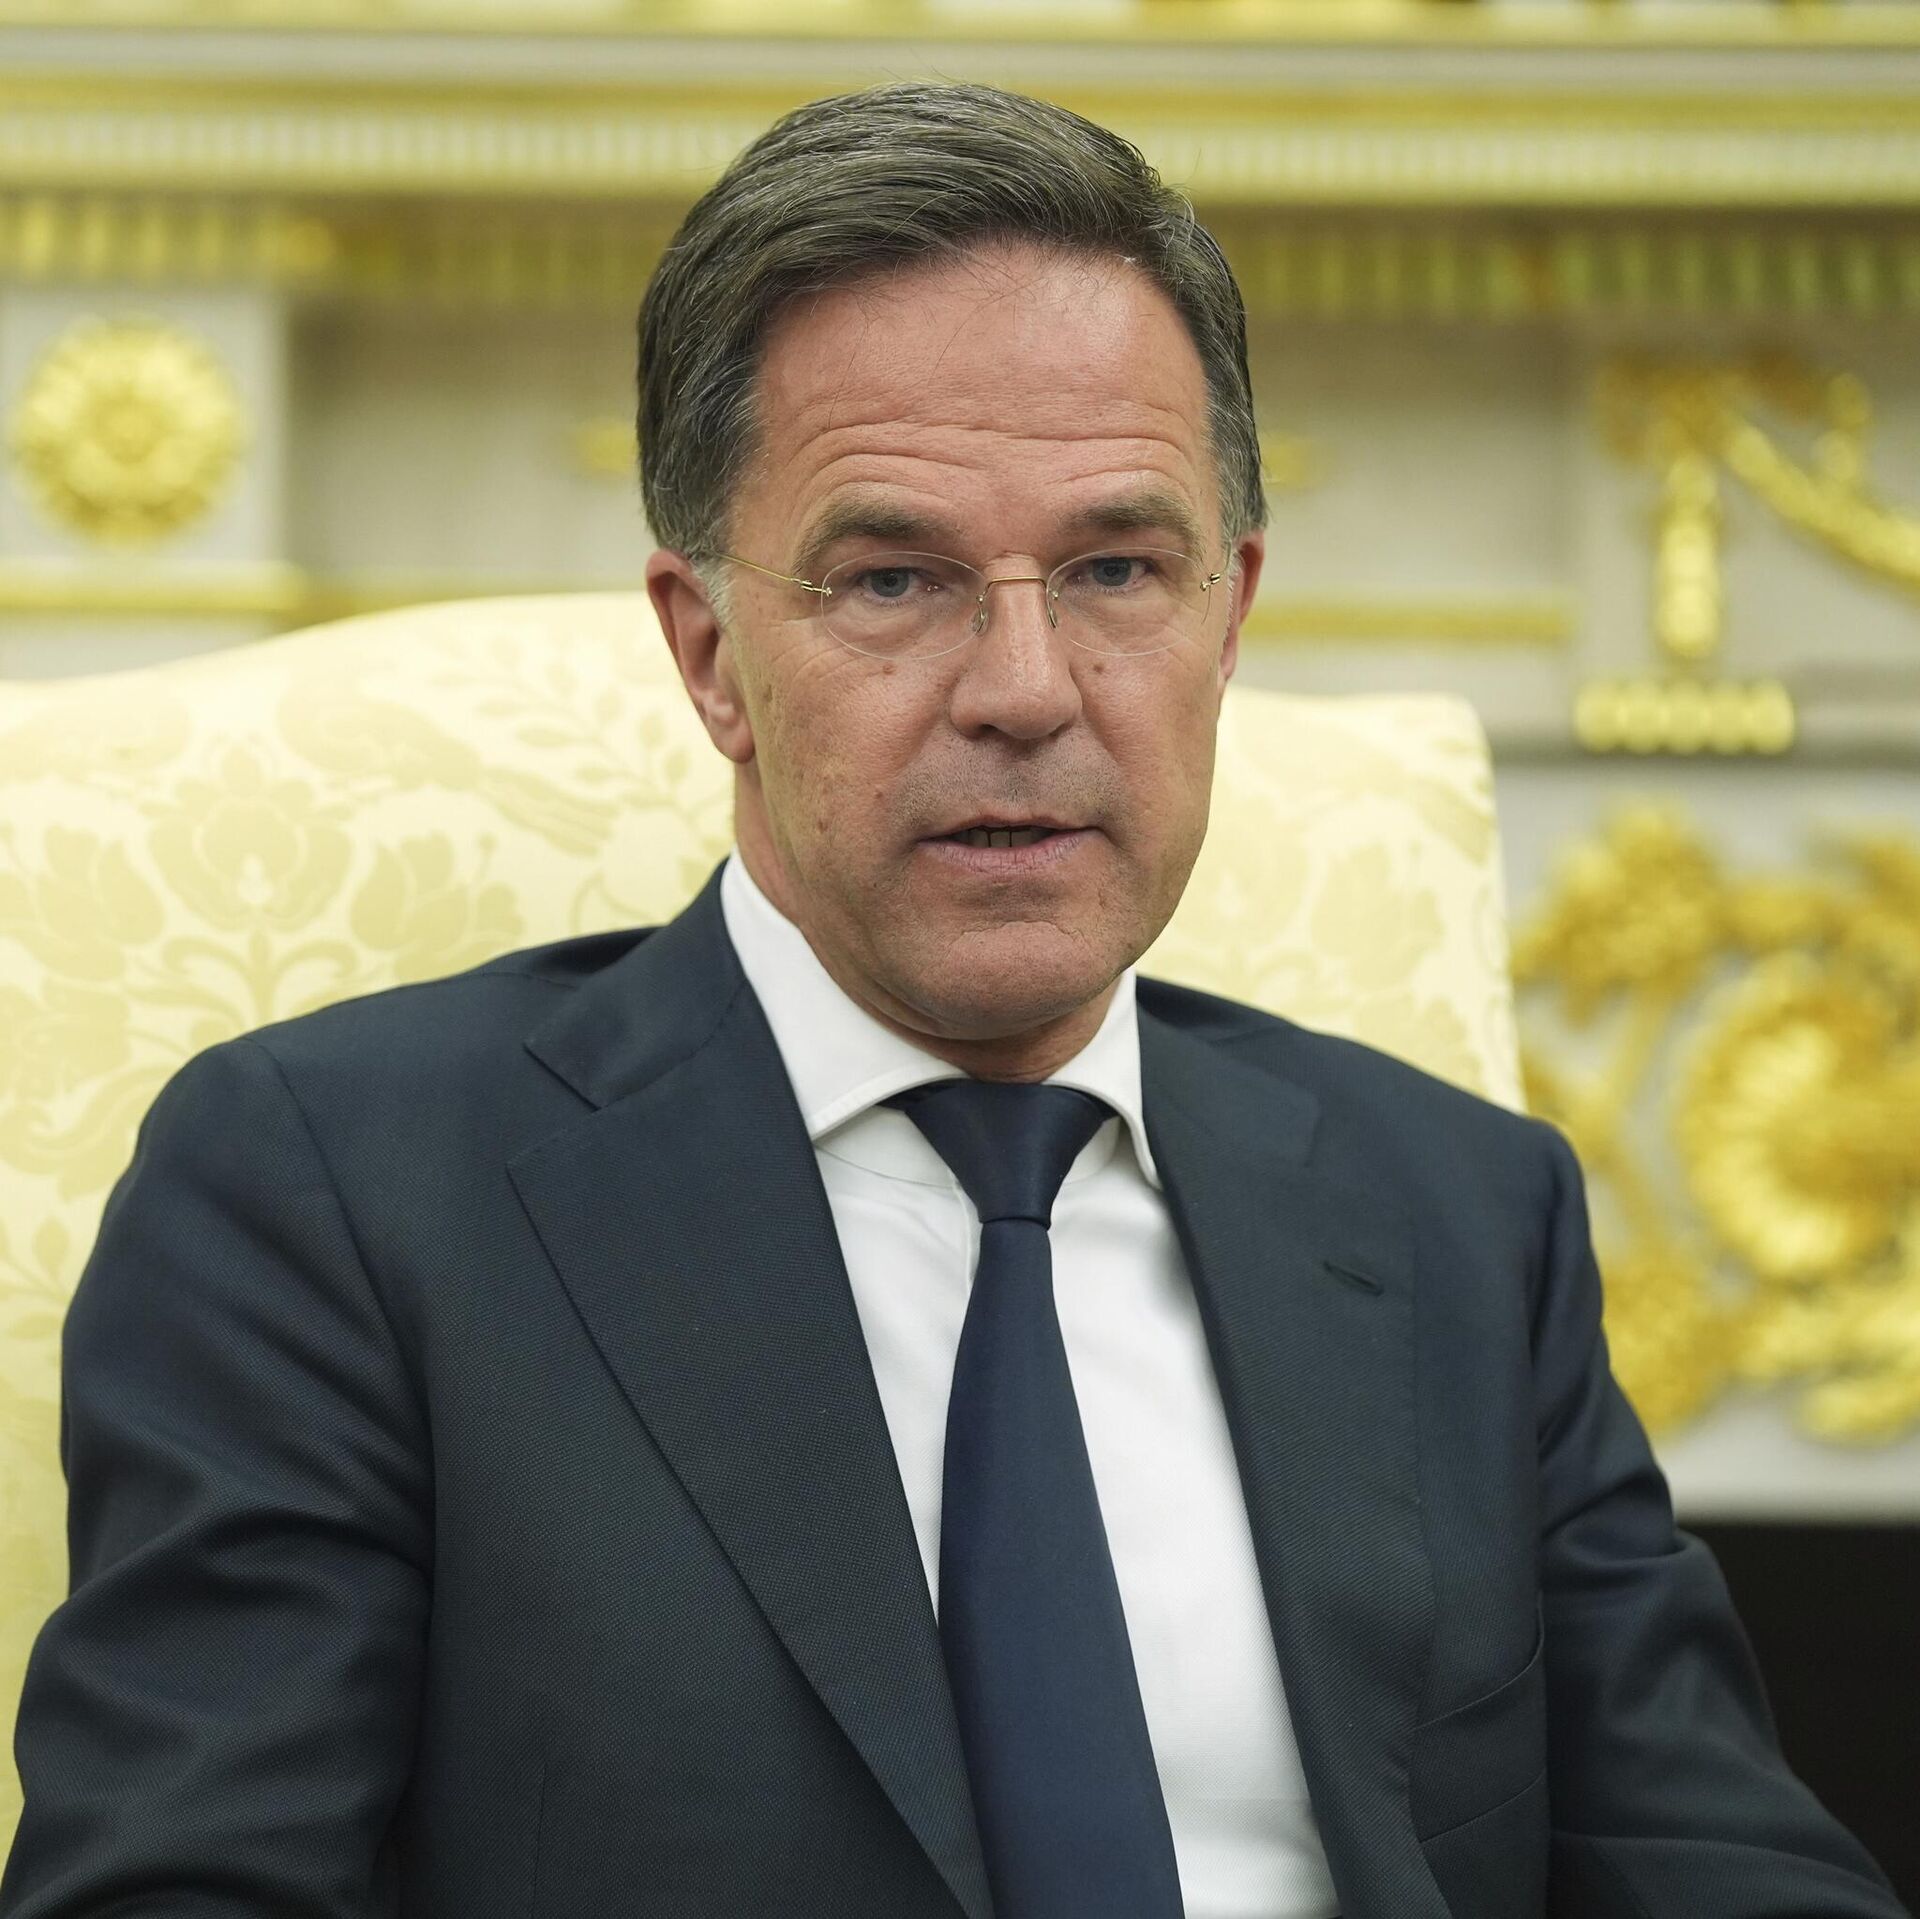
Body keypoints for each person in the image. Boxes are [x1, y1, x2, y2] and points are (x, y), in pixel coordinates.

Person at [1, 80, 1906, 1919]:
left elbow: (1725, 1867)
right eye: (895, 580)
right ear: (712, 654)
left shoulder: (1462, 1213)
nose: (1025, 688)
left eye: (1117, 568)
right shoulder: (336, 1198)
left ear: (1230, 615)